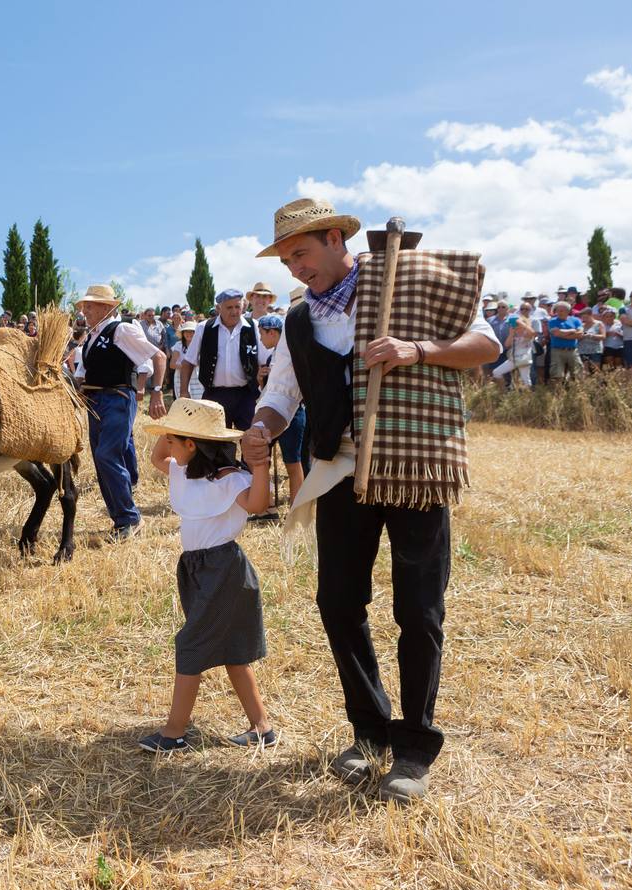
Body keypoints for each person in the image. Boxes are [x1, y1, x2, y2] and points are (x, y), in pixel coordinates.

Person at [245, 198, 500, 803]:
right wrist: (262, 427)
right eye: (286, 260)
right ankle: (370, 732)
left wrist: (417, 350)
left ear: (336, 238)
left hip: (411, 467)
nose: (294, 269)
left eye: (301, 254)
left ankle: (413, 748)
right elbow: (283, 392)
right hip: (339, 470)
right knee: (338, 602)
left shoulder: (407, 281)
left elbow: (485, 344)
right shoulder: (303, 319)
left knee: (419, 609)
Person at [138, 398, 274, 753]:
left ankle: (173, 733)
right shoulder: (184, 472)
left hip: (224, 570)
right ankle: (262, 727)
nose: (167, 444)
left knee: (192, 644)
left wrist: (260, 467)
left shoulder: (228, 479)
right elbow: (158, 460)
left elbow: (258, 505)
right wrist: (169, 427)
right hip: (196, 569)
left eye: (173, 439)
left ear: (192, 445)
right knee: (232, 651)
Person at [72, 284, 167, 540]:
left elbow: (158, 357)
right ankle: (120, 521)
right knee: (103, 459)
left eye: (89, 305)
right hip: (96, 401)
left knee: (107, 455)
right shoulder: (92, 336)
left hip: (117, 398)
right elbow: (86, 374)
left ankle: (130, 518)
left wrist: (156, 391)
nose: (85, 310)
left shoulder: (121, 329)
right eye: (84, 306)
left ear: (106, 307)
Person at [178, 289, 268, 429]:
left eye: (237, 307)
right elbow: (189, 361)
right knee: (215, 444)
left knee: (251, 439)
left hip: (246, 395)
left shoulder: (254, 326)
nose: (234, 311)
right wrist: (184, 391)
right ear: (219, 308)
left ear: (243, 306)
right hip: (214, 396)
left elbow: (264, 361)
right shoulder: (204, 328)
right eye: (229, 307)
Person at [255, 314, 304, 503]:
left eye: (262, 334)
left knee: (293, 461)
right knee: (265, 460)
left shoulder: (290, 353)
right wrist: (261, 379)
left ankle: (296, 506)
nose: (260, 339)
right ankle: (266, 503)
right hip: (272, 411)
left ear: (272, 332)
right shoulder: (271, 356)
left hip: (293, 412)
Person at [493, 306, 537, 389]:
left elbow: (532, 333)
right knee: (496, 372)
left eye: (517, 324)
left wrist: (522, 323)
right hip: (513, 359)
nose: (515, 325)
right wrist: (511, 333)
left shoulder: (526, 333)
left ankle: (528, 398)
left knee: (526, 380)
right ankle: (503, 391)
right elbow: (506, 345)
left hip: (524, 359)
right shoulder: (513, 333)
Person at [546, 301, 584, 381]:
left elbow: (580, 334)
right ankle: (558, 393)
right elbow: (556, 334)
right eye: (557, 310)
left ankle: (576, 392)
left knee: (577, 374)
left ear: (567, 311)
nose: (559, 312)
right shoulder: (552, 321)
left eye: (561, 310)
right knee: (557, 375)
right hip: (557, 350)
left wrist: (562, 333)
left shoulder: (576, 320)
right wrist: (573, 330)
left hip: (572, 350)